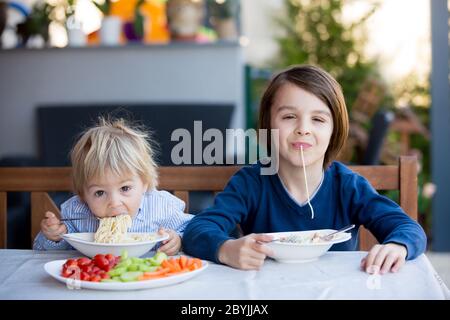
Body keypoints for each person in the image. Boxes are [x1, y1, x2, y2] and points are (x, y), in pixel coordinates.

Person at [182, 64, 427, 273]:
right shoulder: (251, 183)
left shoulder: (348, 186)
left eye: (318, 119)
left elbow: (407, 228)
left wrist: (398, 246)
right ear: (268, 125)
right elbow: (198, 230)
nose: (303, 129)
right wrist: (226, 249)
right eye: (289, 117)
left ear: (334, 131)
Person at [33, 117, 192, 255]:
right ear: (83, 195)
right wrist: (53, 237)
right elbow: (42, 252)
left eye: (125, 188)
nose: (114, 202)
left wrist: (178, 240)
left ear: (144, 183)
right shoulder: (76, 213)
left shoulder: (162, 207)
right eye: (100, 192)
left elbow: (193, 231)